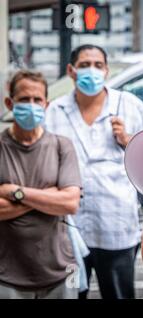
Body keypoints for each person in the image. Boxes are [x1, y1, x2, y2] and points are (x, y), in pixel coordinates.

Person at [45, 44, 143, 299]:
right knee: (71, 293)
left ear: (106, 70)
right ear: (71, 71)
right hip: (68, 226)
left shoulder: (129, 106)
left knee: (118, 294)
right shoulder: (54, 111)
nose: (91, 71)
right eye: (84, 65)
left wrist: (129, 141)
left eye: (97, 65)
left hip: (115, 223)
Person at [0, 70, 82, 299]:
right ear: (10, 102)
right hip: (7, 274)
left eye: (37, 100)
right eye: (24, 99)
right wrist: (49, 197)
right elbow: (61, 200)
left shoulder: (61, 146)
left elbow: (70, 203)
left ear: (46, 104)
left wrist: (14, 192)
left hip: (62, 270)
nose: (32, 105)